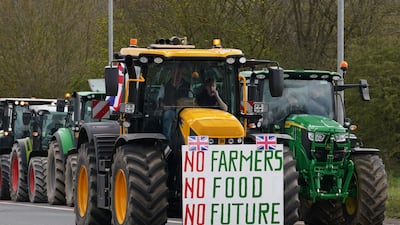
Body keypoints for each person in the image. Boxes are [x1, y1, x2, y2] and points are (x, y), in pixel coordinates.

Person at [157, 66, 190, 139]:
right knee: (168, 115)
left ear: (182, 74)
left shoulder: (188, 86)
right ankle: (166, 140)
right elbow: (159, 100)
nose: (176, 75)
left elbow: (191, 100)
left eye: (179, 73)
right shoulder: (165, 85)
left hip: (184, 112)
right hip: (169, 110)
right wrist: (163, 106)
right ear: (171, 74)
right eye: (174, 73)